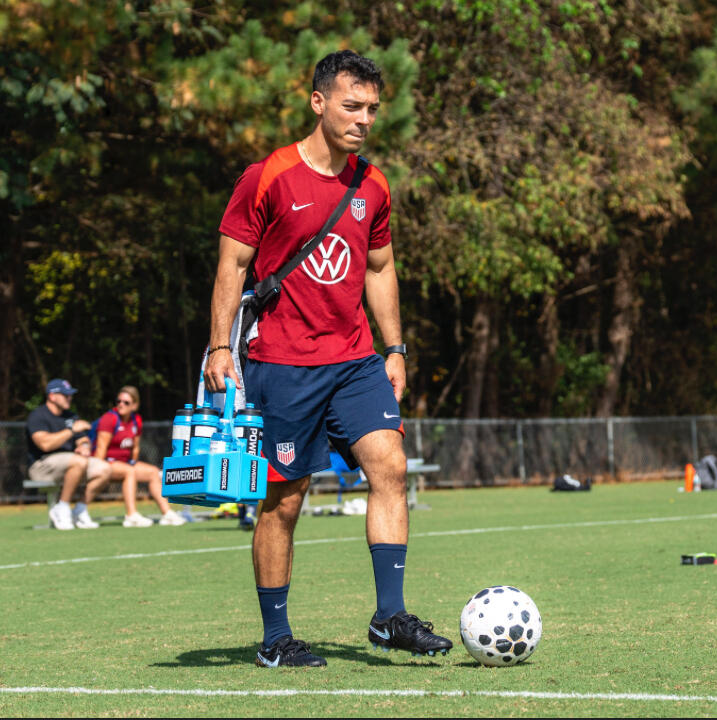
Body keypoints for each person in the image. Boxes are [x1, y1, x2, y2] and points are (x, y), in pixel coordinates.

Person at [204, 50, 452, 667]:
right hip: (281, 363)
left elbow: (380, 267)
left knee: (390, 467)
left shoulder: (373, 184)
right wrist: (218, 345)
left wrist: (394, 348)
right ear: (317, 102)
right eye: (351, 105)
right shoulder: (267, 176)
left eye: (371, 109)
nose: (363, 119)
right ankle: (275, 639)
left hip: (354, 359)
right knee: (284, 501)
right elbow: (232, 266)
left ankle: (389, 616)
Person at [92, 385, 186, 527]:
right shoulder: (109, 419)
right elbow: (100, 449)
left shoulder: (136, 420)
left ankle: (167, 514)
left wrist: (132, 462)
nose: (121, 405)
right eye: (119, 401)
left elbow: (135, 447)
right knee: (129, 472)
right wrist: (97, 471)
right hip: (106, 464)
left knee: (153, 472)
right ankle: (131, 515)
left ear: (134, 405)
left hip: (124, 464)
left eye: (126, 402)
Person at [26, 378, 112, 530]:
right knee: (78, 461)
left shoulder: (71, 416)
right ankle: (62, 508)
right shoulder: (38, 415)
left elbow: (83, 439)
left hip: (73, 463)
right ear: (52, 396)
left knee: (104, 468)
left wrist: (84, 446)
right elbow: (45, 444)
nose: (69, 398)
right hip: (41, 466)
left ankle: (79, 510)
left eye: (70, 394)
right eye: (65, 395)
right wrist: (71, 431)